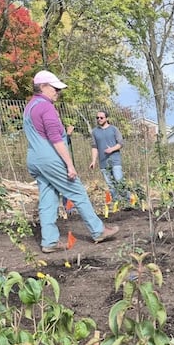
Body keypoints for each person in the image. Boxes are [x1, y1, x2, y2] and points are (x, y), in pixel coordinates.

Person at [23, 70, 118, 253]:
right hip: (49, 157)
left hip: (34, 158)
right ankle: (98, 230)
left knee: (48, 199)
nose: (57, 92)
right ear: (42, 87)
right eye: (55, 88)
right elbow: (55, 139)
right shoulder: (46, 107)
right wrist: (69, 164)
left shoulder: (30, 107)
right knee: (77, 191)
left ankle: (49, 241)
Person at [89, 111, 127, 201]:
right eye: (97, 118)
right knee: (110, 184)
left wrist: (112, 149)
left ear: (107, 118)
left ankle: (127, 200)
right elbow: (94, 147)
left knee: (119, 181)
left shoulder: (114, 129)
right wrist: (93, 161)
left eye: (101, 118)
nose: (99, 119)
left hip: (115, 161)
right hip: (103, 162)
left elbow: (120, 143)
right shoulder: (94, 132)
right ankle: (116, 202)